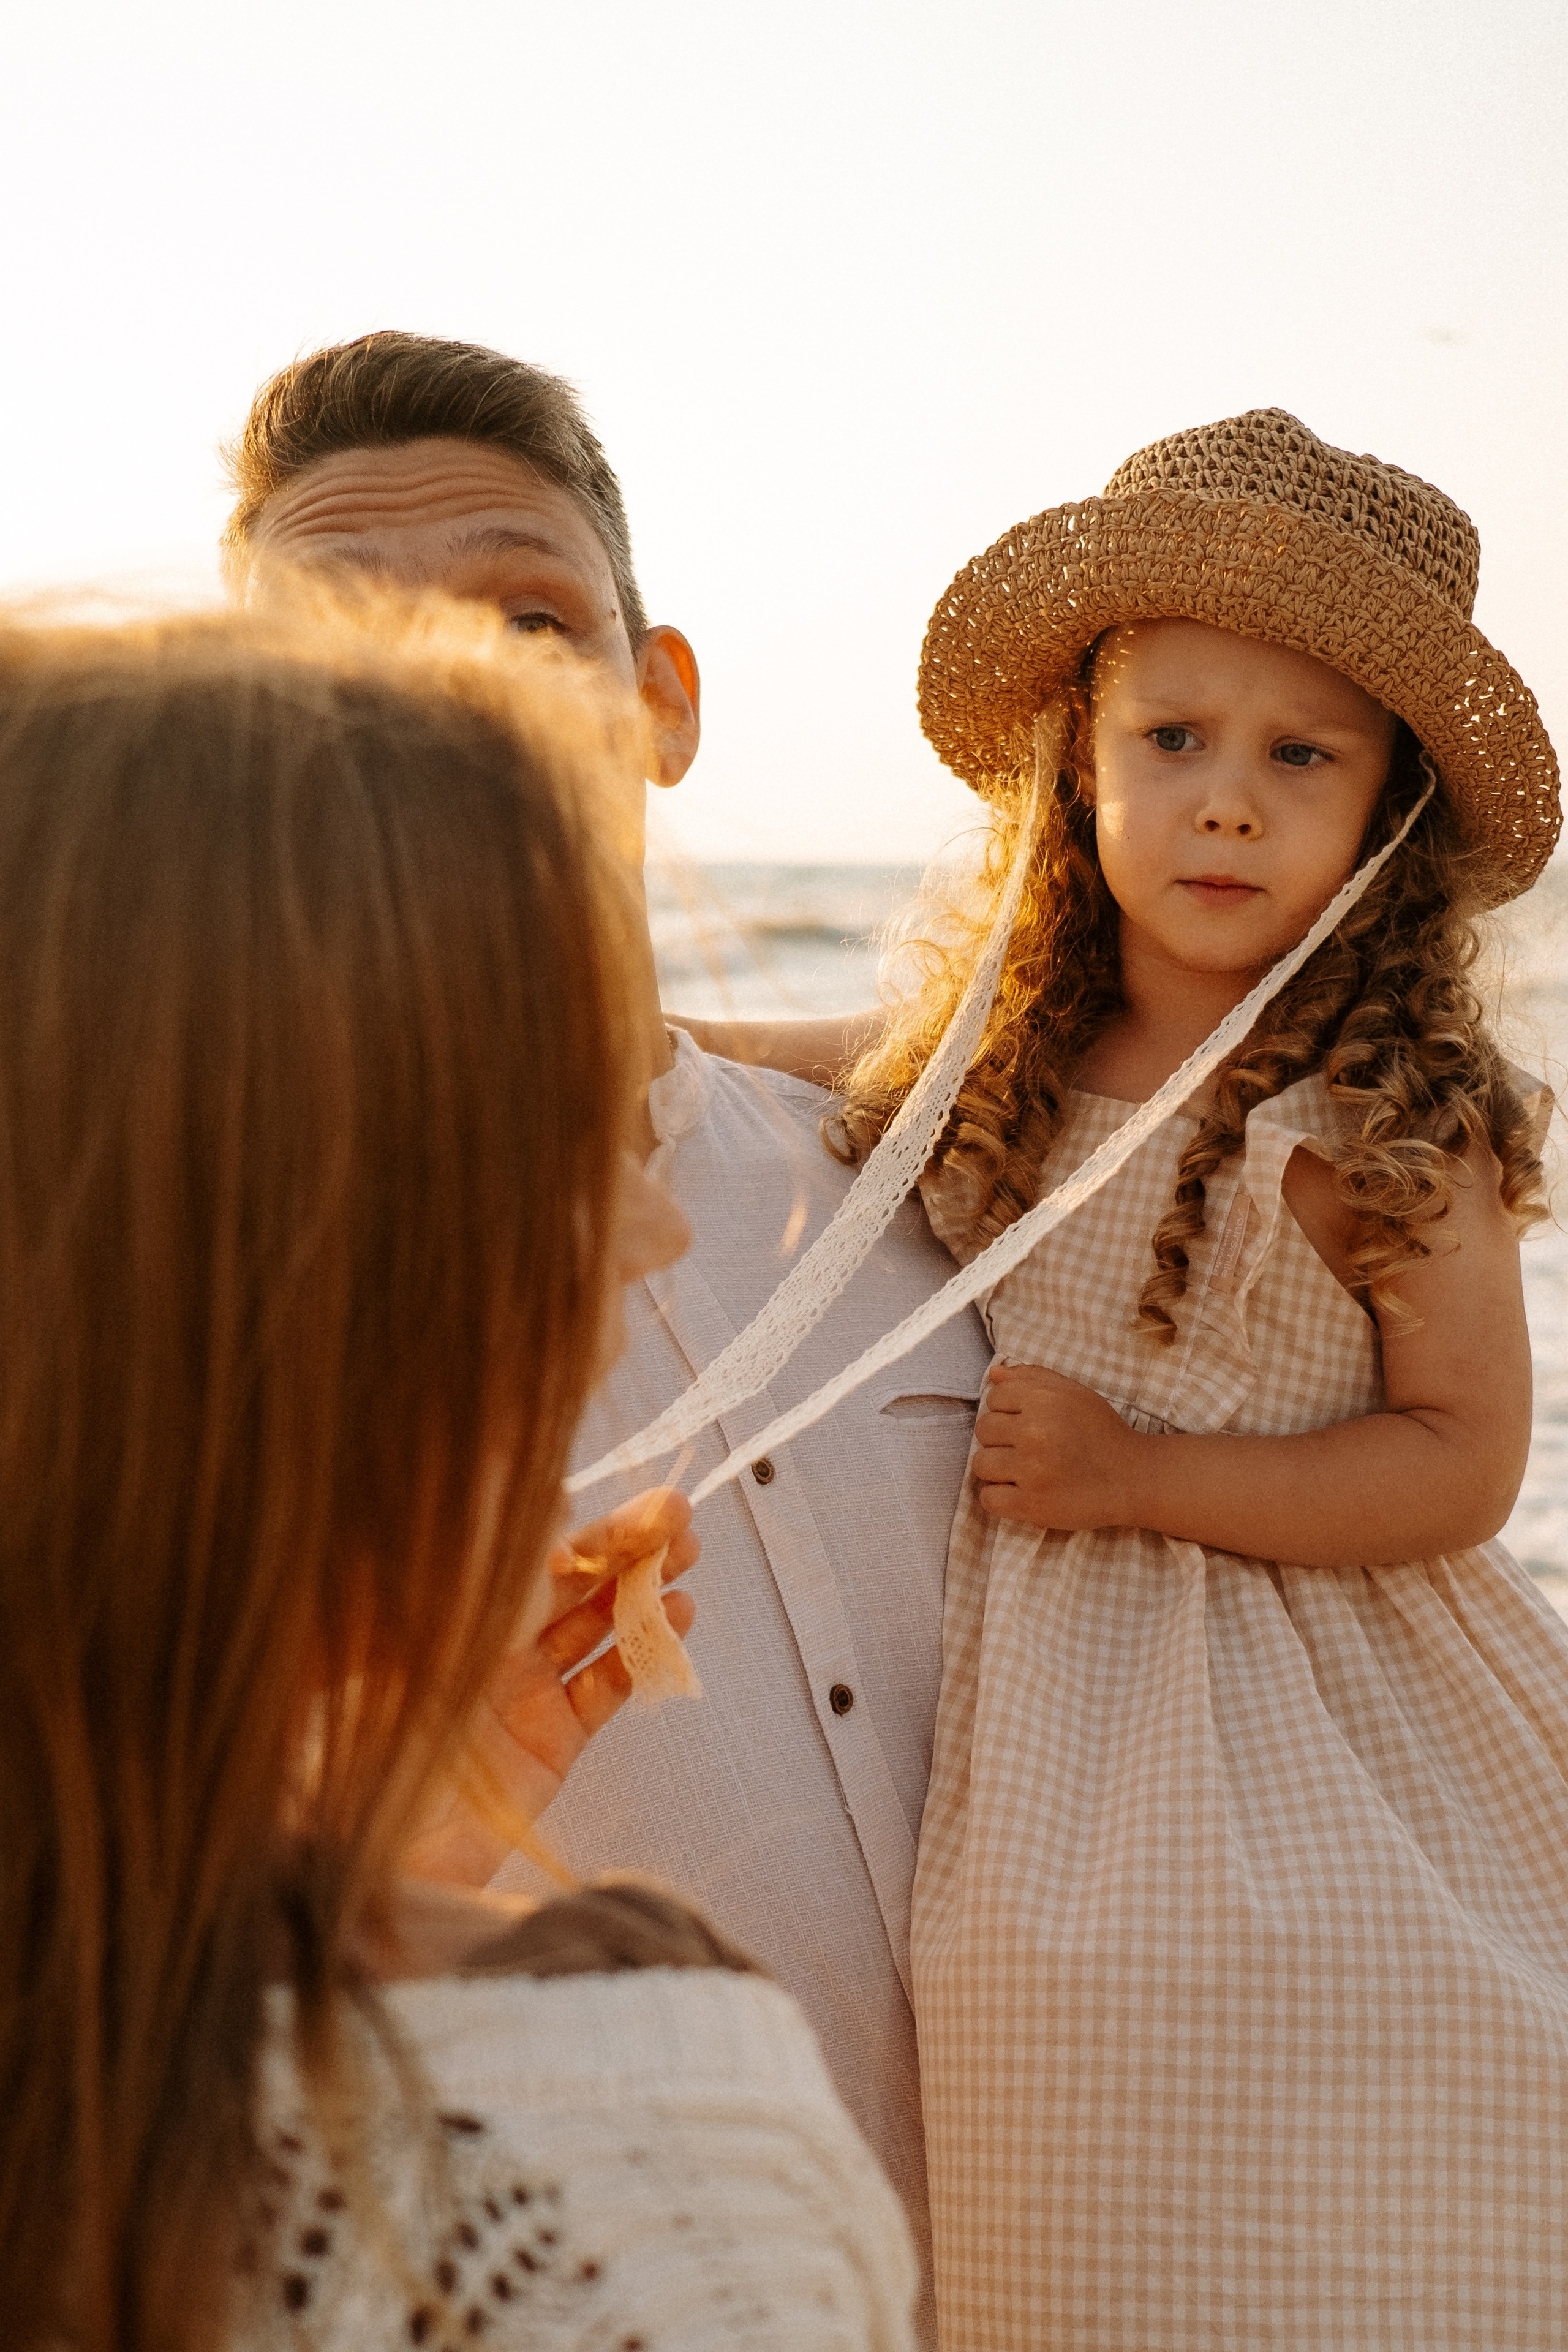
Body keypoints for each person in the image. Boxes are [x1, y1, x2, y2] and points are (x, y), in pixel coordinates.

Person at [0, 589, 919, 2352]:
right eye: (566, 1112)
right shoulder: (631, 2145)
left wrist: (324, 1839)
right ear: (277, 1262)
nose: (659, 1227)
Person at [224, 331, 992, 2331]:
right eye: (339, 640)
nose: (444, 699)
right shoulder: (177, 1308)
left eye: (527, 614)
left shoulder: (955, 1173)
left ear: (664, 706)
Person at [815, 408, 1565, 2348]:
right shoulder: (1009, 1053)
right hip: (1058, 1725)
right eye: (1175, 741)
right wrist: (612, 1023)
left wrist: (1146, 1471)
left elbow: (1465, 1463)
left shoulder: (1386, 1122)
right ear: (1081, 767)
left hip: (1346, 1687)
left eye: (1299, 756)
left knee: (1403, 2041)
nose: (1227, 802)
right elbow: (826, 1059)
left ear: (1389, 815)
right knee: (1037, 2059)